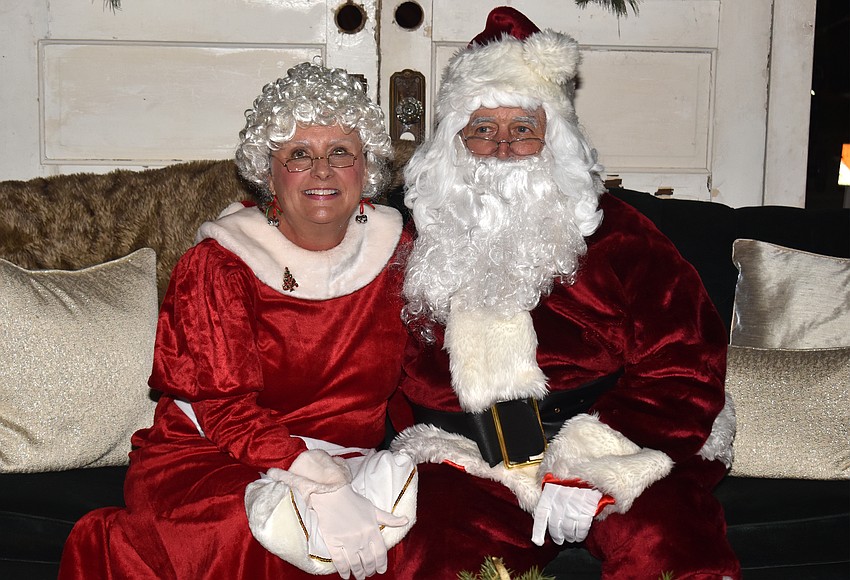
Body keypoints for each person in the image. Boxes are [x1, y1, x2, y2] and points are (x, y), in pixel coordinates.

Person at [389, 6, 741, 578]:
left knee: (669, 544)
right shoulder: (408, 241)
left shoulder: (620, 235)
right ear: (452, 145)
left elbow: (686, 366)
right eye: (482, 130)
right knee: (431, 555)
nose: (502, 148)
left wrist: (591, 464)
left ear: (556, 141)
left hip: (617, 442)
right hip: (465, 460)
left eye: (523, 131)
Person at [58, 62, 418, 580]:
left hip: (348, 456)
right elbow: (220, 408)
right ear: (269, 174)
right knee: (256, 539)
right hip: (211, 456)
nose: (322, 170)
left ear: (367, 170)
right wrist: (319, 483)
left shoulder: (400, 254)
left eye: (340, 152)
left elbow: (428, 369)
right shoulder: (219, 264)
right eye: (299, 155)